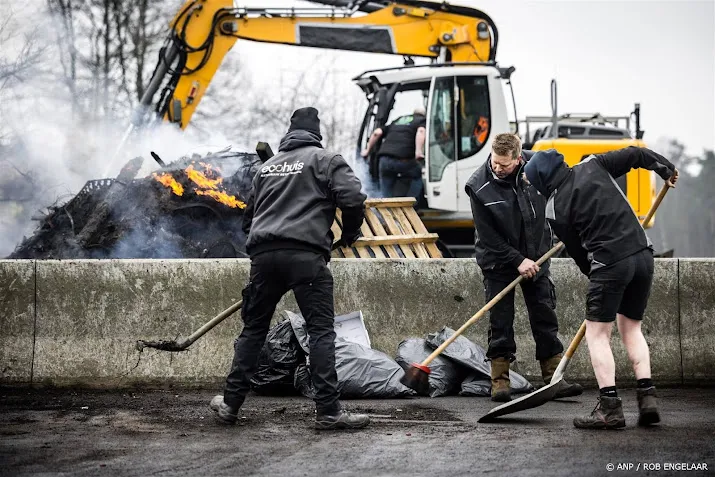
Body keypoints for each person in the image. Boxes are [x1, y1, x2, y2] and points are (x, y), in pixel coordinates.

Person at [210, 107, 370, 430]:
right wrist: (350, 232)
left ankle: (230, 404)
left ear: (289, 133)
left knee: (253, 330)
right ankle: (328, 412)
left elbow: (247, 220)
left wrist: (268, 247)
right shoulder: (326, 160)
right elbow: (353, 197)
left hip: (264, 257)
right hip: (307, 258)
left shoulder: (266, 168)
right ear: (317, 134)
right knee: (321, 332)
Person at [523, 146, 678, 429]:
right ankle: (648, 399)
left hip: (609, 265)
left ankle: (609, 408)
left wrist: (599, 281)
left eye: (533, 182)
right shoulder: (594, 164)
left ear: (543, 181)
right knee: (631, 328)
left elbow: (581, 256)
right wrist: (664, 169)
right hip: (643, 255)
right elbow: (635, 154)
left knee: (597, 334)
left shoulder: (554, 209)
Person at [465, 133, 583, 402]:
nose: (498, 169)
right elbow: (487, 236)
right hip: (498, 261)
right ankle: (499, 381)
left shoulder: (537, 168)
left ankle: (553, 377)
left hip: (537, 256)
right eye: (495, 162)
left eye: (504, 165)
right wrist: (517, 261)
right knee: (500, 320)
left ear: (519, 159)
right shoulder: (478, 185)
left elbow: (562, 189)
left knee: (544, 313)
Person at [360, 107, 427, 200]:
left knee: (386, 194)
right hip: (404, 160)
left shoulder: (398, 120)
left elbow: (377, 132)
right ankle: (411, 206)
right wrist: (418, 152)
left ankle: (386, 210)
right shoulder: (422, 121)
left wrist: (367, 150)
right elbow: (421, 131)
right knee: (417, 176)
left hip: (384, 161)